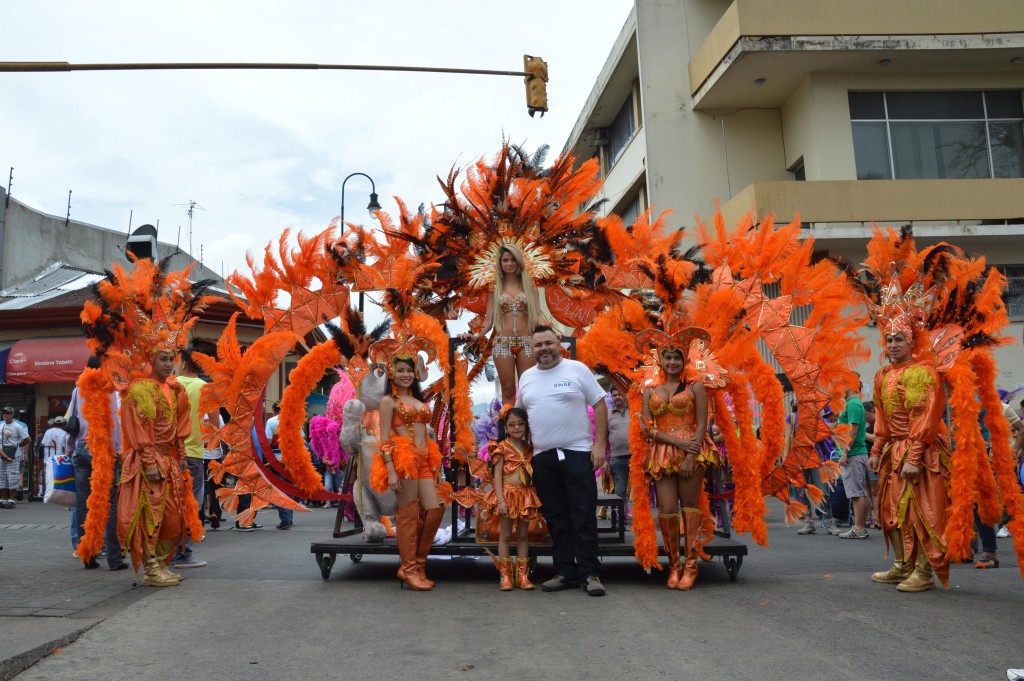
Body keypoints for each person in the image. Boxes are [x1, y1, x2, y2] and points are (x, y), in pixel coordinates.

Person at [516, 325, 608, 596]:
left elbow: (599, 404)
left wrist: (599, 446)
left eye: (548, 343)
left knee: (583, 514)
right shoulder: (527, 377)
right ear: (531, 349)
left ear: (559, 343)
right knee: (556, 517)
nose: (543, 348)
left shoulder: (577, 369)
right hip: (543, 458)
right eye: (538, 345)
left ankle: (590, 573)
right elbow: (519, 416)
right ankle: (565, 571)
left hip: (578, 453)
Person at [868, 329, 952, 592]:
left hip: (921, 452)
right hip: (894, 451)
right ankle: (903, 565)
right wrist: (876, 450)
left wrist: (914, 457)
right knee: (889, 512)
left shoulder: (923, 372)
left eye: (899, 340)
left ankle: (923, 572)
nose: (893, 345)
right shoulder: (882, 375)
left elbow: (926, 417)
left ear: (912, 342)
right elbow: (881, 416)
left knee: (920, 513)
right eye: (889, 340)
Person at [637, 328, 719, 590]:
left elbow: (702, 424)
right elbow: (646, 429)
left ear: (685, 361)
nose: (672, 362)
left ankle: (691, 566)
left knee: (690, 507)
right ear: (661, 361)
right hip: (662, 454)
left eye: (677, 358)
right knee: (667, 509)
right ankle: (674, 565)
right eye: (668, 357)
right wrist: (675, 442)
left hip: (691, 451)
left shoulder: (695, 386)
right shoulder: (650, 390)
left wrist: (689, 456)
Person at [370, 336, 445, 591]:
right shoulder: (388, 401)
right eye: (400, 370)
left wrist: (435, 460)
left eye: (409, 370)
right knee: (408, 515)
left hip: (425, 460)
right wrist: (391, 470)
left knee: (434, 510)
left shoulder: (418, 400)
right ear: (391, 373)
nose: (406, 375)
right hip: (405, 460)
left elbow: (428, 433)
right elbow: (384, 439)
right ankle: (409, 569)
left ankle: (417, 565)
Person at [118, 349, 194, 587]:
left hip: (168, 460)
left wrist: (181, 454)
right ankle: (151, 568)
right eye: (163, 359)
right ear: (151, 361)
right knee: (151, 515)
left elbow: (179, 424)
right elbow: (138, 428)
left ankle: (160, 563)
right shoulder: (140, 389)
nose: (168, 364)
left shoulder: (176, 389)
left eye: (171, 359)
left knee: (173, 516)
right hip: (147, 461)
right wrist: (149, 462)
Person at [66, 357, 129, 570]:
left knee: (84, 504)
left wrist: (70, 447)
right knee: (108, 503)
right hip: (102, 451)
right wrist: (119, 449)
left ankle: (88, 555)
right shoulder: (109, 388)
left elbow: (72, 420)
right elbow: (114, 423)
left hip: (81, 449)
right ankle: (114, 558)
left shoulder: (78, 388)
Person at [472, 244, 545, 405]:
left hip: (527, 343)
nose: (509, 263)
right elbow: (488, 321)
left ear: (519, 261)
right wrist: (477, 335)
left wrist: (549, 334)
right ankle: (507, 421)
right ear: (500, 263)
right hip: (502, 344)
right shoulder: (495, 288)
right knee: (508, 390)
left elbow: (538, 315)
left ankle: (529, 422)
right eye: (505, 260)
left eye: (513, 260)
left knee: (528, 389)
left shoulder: (530, 285)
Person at [487, 407, 541, 590]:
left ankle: (523, 576)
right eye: (512, 424)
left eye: (520, 424)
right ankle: (505, 576)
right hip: (507, 495)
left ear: (526, 425)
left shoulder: (530, 448)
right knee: (505, 535)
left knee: (523, 535)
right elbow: (497, 476)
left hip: (526, 495)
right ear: (506, 427)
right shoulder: (501, 447)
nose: (516, 427)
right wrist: (500, 500)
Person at [171, 350, 211, 567]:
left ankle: (168, 552)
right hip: (194, 453)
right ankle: (183, 553)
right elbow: (214, 423)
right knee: (190, 504)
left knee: (171, 503)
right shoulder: (205, 388)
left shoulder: (171, 383)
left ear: (184, 364)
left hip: (170, 452)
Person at [836, 382, 871, 540]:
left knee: (856, 494)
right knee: (860, 492)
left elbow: (853, 430)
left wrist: (845, 452)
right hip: (856, 453)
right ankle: (860, 527)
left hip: (854, 454)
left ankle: (858, 528)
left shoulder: (853, 404)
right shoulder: (853, 403)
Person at [264, 402, 295, 529]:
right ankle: (289, 516)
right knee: (290, 488)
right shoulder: (293, 420)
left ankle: (286, 518)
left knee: (280, 489)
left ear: (274, 410)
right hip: (292, 460)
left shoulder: (271, 421)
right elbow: (301, 440)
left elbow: (268, 441)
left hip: (278, 461)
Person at [605, 387, 632, 519]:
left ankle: (642, 523)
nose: (617, 397)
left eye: (619, 394)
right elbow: (602, 438)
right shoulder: (607, 415)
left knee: (640, 493)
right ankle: (619, 522)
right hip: (617, 458)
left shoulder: (634, 412)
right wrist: (604, 460)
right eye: (614, 395)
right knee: (619, 491)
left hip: (636, 458)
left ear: (625, 396)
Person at [1, 406, 30, 509]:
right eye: (3, 412)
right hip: (2, 453)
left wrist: (19, 446)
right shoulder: (1, 426)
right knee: (2, 477)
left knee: (12, 477)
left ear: (12, 415)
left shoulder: (18, 427)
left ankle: (12, 500)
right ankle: (3, 499)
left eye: (7, 413)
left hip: (14, 455)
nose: (5, 414)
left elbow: (27, 439)